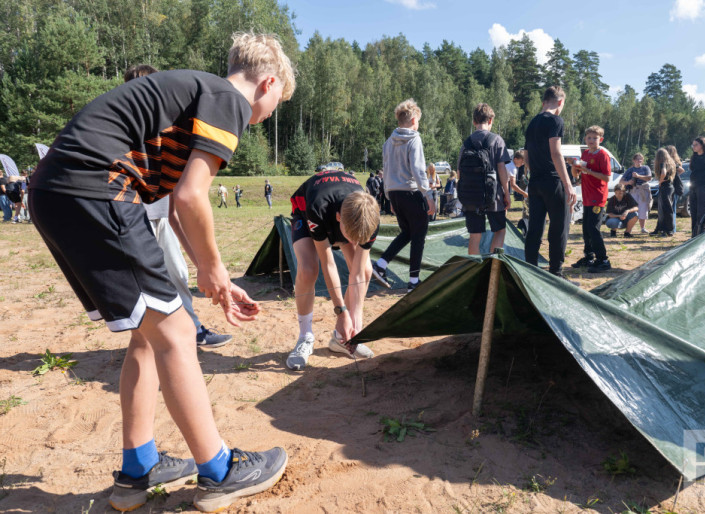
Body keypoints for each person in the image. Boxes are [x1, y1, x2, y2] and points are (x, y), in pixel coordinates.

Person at [28, 32, 295, 513]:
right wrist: (213, 271)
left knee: (150, 332)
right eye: (279, 101)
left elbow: (174, 209)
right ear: (267, 82)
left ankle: (138, 470)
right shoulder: (227, 99)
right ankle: (221, 471)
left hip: (58, 190)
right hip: (96, 186)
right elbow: (193, 197)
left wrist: (210, 273)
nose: (273, 112)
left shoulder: (188, 100)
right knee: (176, 330)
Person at [124, 63, 233, 349]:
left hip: (162, 220)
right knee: (148, 285)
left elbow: (174, 210)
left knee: (179, 276)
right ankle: (155, 339)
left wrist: (203, 263)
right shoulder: (126, 134)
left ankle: (194, 329)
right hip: (135, 220)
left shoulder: (168, 138)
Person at [285, 170, 380, 371]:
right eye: (350, 237)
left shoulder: (371, 219)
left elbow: (357, 273)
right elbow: (329, 264)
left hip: (345, 218)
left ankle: (342, 339)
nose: (354, 243)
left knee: (365, 271)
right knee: (309, 269)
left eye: (359, 239)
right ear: (338, 218)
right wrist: (341, 312)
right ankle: (305, 337)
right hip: (307, 213)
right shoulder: (317, 208)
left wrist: (356, 324)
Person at [371, 99, 435, 292]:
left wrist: (390, 197)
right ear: (414, 120)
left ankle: (381, 264)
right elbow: (418, 169)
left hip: (395, 194)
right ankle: (413, 282)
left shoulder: (388, 142)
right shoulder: (414, 139)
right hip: (412, 192)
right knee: (419, 236)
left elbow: (387, 170)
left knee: (407, 232)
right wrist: (429, 194)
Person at [523, 86, 577, 277]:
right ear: (560, 102)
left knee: (535, 228)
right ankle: (556, 273)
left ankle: (530, 270)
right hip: (553, 181)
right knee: (559, 227)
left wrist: (534, 172)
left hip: (535, 182)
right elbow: (556, 153)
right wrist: (568, 184)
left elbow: (525, 157)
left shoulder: (532, 123)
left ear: (543, 101)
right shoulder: (555, 120)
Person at [457, 103, 511, 255]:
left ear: (474, 121)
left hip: (471, 196)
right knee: (500, 230)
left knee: (475, 236)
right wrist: (506, 192)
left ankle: (474, 270)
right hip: (494, 196)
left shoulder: (466, 143)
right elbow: (502, 168)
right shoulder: (497, 140)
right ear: (491, 120)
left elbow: (459, 172)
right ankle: (493, 267)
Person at [570, 125, 611, 272]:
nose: (592, 140)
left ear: (601, 139)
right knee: (586, 229)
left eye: (595, 138)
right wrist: (574, 166)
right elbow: (577, 175)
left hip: (597, 197)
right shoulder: (586, 153)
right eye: (589, 138)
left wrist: (588, 170)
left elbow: (606, 177)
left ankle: (603, 260)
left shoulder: (603, 155)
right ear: (585, 139)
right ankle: (589, 257)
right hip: (587, 196)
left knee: (594, 228)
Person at [619, 153, 652, 234]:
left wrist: (638, 176)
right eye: (637, 159)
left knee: (643, 209)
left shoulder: (646, 168)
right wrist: (628, 182)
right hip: (633, 190)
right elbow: (621, 181)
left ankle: (642, 228)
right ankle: (629, 228)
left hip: (643, 190)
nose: (639, 161)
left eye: (640, 159)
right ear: (633, 160)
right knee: (632, 209)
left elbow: (649, 177)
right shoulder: (630, 170)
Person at [650, 148, 676, 236]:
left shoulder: (663, 164)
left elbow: (663, 173)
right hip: (670, 186)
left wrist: (660, 181)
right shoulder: (671, 163)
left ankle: (668, 229)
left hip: (665, 187)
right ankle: (662, 228)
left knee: (665, 209)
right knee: (666, 209)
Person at [665, 145, 686, 234]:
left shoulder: (672, 162)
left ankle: (672, 229)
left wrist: (673, 176)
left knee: (672, 208)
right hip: (672, 186)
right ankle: (671, 228)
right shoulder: (673, 161)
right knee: (671, 208)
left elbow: (682, 170)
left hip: (674, 187)